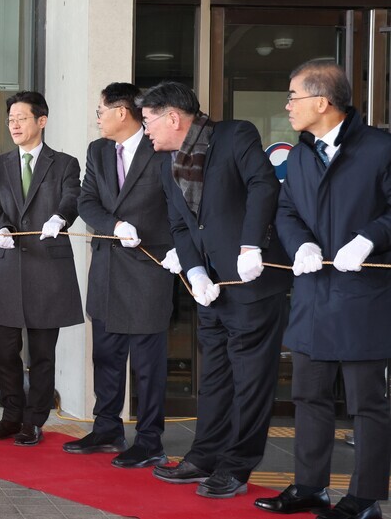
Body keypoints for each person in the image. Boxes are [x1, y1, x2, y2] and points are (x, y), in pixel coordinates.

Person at [255, 60, 391, 519]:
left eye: (293, 96)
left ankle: (365, 498)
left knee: (366, 404)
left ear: (322, 101)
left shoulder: (379, 148)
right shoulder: (300, 154)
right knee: (308, 397)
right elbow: (287, 210)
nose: (287, 105)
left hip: (364, 295)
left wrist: (370, 237)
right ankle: (310, 487)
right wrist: (302, 244)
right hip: (314, 294)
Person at [141, 81, 290, 499]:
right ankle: (204, 455)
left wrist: (250, 245)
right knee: (215, 377)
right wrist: (194, 272)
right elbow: (179, 224)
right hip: (210, 288)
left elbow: (264, 186)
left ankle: (237, 466)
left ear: (173, 117)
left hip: (252, 281)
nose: (146, 130)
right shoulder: (165, 163)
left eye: (149, 121)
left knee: (251, 380)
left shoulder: (235, 135)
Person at [67, 82, 173, 468]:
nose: (97, 118)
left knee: (147, 364)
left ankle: (150, 440)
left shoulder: (160, 149)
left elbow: (176, 203)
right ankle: (107, 427)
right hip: (108, 265)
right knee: (107, 355)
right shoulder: (98, 151)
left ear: (122, 112)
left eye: (101, 111)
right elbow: (86, 201)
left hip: (148, 267)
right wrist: (114, 226)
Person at [0, 91, 82, 447]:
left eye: (21, 118)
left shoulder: (64, 164)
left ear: (42, 120)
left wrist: (59, 218)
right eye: (10, 120)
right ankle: (10, 415)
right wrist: (0, 229)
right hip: (8, 266)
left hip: (47, 270)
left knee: (42, 352)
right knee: (5, 350)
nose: (14, 125)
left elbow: (72, 198)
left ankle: (35, 421)